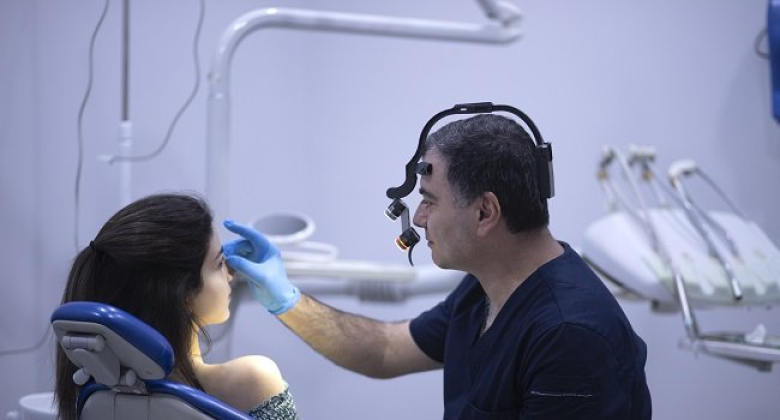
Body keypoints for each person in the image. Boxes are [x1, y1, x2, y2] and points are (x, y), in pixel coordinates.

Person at [224, 113, 652, 419]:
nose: (419, 218)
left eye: (429, 201)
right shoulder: (486, 287)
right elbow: (385, 350)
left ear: (485, 212)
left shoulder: (569, 336)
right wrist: (286, 300)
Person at [55, 193, 299, 420]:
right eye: (219, 264)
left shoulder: (94, 394)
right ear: (185, 294)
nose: (231, 275)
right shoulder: (253, 379)